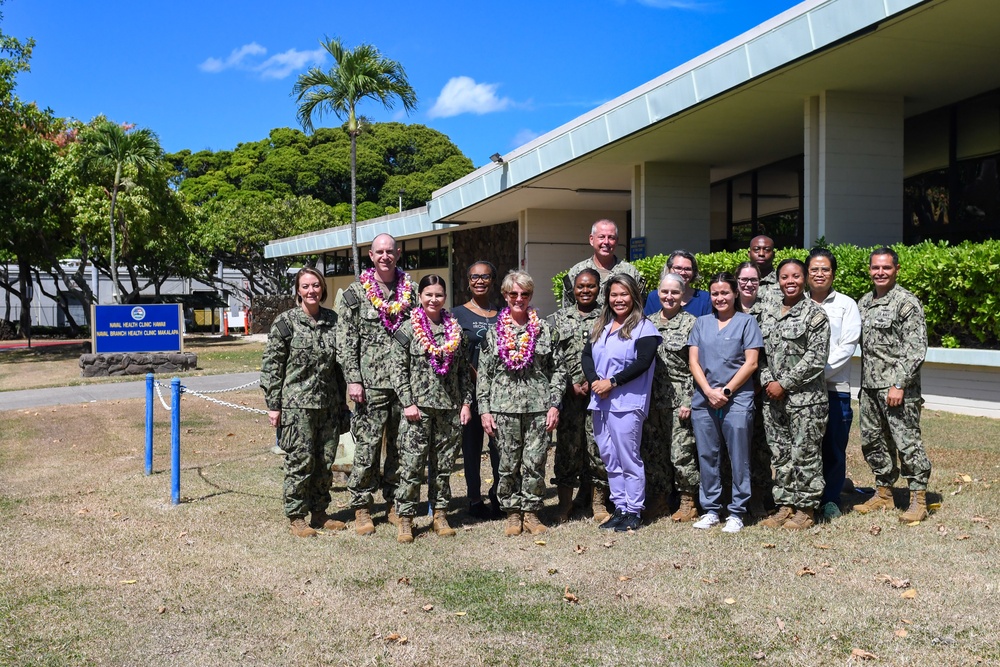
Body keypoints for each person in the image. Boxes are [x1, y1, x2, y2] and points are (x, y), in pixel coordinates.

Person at [338, 233, 417, 535]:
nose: (385, 256)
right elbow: (346, 340)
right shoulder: (356, 293)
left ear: (398, 254)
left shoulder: (410, 291)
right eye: (379, 252)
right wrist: (353, 379)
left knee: (399, 446)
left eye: (390, 251)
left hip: (403, 385)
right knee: (367, 448)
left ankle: (395, 504)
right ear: (370, 256)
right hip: (369, 385)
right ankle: (361, 506)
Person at [261, 267, 347, 538]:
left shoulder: (334, 320)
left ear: (323, 289)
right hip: (297, 406)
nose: (312, 291)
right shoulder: (285, 322)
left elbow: (342, 366)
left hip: (329, 404)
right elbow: (272, 366)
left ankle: (320, 513)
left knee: (324, 461)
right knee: (301, 461)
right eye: (306, 286)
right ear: (298, 290)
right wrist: (274, 405)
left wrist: (344, 403)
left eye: (316, 286)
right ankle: (297, 516)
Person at [477, 271, 565, 537]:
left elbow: (558, 371)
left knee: (535, 462)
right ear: (505, 296)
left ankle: (532, 512)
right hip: (503, 409)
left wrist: (554, 405)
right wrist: (484, 410)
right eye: (513, 294)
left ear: (530, 296)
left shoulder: (545, 331)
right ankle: (513, 513)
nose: (519, 299)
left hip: (539, 408)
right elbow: (484, 374)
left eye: (524, 294)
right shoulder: (494, 333)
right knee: (507, 463)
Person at [391, 275, 473, 543]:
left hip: (448, 408)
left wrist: (466, 403)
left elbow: (463, 372)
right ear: (420, 296)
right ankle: (405, 518)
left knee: (444, 465)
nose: (434, 299)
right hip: (418, 410)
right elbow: (397, 369)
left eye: (439, 295)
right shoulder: (407, 329)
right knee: (412, 465)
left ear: (445, 297)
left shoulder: (455, 330)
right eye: (428, 294)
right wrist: (407, 402)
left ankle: (439, 514)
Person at [853, 247, 932, 523]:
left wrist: (899, 384)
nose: (880, 272)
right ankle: (884, 493)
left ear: (896, 269)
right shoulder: (864, 303)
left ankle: (918, 498)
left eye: (886, 268)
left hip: (898, 389)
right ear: (870, 270)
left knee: (906, 442)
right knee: (873, 442)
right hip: (870, 388)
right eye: (876, 267)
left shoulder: (906, 303)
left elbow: (916, 349)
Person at [582, 273, 660, 532]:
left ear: (634, 296)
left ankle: (634, 510)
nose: (619, 299)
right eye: (614, 295)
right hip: (600, 402)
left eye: (624, 294)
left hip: (627, 402)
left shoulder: (644, 328)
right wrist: (595, 382)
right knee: (609, 457)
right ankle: (620, 507)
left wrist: (611, 382)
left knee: (628, 458)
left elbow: (643, 362)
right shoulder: (601, 326)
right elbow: (586, 357)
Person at [687, 272, 763, 533]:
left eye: (725, 293)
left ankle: (737, 511)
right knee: (707, 455)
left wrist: (727, 391)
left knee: (738, 456)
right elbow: (693, 361)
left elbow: (751, 362)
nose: (720, 297)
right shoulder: (701, 323)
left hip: (737, 400)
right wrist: (708, 391)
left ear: (735, 294)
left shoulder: (747, 322)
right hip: (705, 399)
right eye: (715, 293)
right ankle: (711, 509)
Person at [758, 259, 830, 530]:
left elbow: (816, 358)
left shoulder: (815, 314)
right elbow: (759, 353)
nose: (790, 281)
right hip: (773, 399)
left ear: (804, 279)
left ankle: (807, 508)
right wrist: (767, 380)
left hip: (806, 401)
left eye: (796, 276)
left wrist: (784, 383)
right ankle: (786, 505)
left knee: (805, 454)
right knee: (781, 454)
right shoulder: (769, 313)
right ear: (778, 280)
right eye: (785, 276)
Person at [548, 268, 611, 524]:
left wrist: (594, 381)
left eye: (591, 286)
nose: (586, 291)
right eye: (581, 286)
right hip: (570, 398)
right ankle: (565, 504)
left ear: (599, 289)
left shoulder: (608, 318)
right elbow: (554, 358)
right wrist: (571, 383)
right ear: (572, 289)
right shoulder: (558, 319)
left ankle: (598, 503)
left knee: (598, 448)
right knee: (567, 450)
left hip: (600, 395)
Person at [807, 247, 861, 521]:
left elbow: (846, 347)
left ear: (833, 273)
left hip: (834, 389)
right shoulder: (795, 303)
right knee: (804, 448)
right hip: (800, 393)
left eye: (825, 269)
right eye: (814, 269)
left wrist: (815, 375)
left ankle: (830, 499)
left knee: (833, 448)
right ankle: (804, 499)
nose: (819, 274)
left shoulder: (846, 305)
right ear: (806, 274)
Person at [644, 271, 699, 522]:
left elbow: (696, 367)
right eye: (664, 292)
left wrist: (689, 401)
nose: (669, 296)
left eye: (675, 292)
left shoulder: (692, 323)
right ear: (657, 293)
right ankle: (661, 499)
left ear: (683, 295)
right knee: (655, 452)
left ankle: (688, 500)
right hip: (651, 399)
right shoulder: (647, 322)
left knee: (681, 453)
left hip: (679, 399)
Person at [451, 261, 502, 520]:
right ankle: (474, 499)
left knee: (499, 448)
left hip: (500, 394)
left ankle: (499, 495)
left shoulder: (504, 314)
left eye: (485, 276)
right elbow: (454, 355)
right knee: (471, 448)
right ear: (468, 281)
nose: (480, 281)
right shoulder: (456, 314)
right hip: (469, 394)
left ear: (493, 280)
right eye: (475, 277)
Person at [735, 260, 773, 518]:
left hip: (760, 389)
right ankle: (730, 496)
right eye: (744, 279)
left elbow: (772, 355)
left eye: (754, 280)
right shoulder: (724, 307)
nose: (749, 284)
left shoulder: (769, 311)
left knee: (759, 447)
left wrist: (759, 383)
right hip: (728, 391)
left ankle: (758, 497)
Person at [562, 219, 645, 307]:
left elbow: (639, 307)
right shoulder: (576, 272)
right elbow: (567, 309)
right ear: (591, 239)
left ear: (616, 241)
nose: (606, 242)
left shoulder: (630, 272)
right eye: (601, 237)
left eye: (611, 237)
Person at [642, 250, 712, 317]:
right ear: (668, 269)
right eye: (678, 268)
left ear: (694, 272)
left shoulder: (705, 299)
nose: (682, 272)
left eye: (687, 269)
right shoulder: (654, 297)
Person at [749, 235, 782, 304]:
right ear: (749, 254)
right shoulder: (740, 282)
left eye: (767, 250)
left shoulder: (782, 281)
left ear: (773, 255)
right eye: (756, 249)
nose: (761, 254)